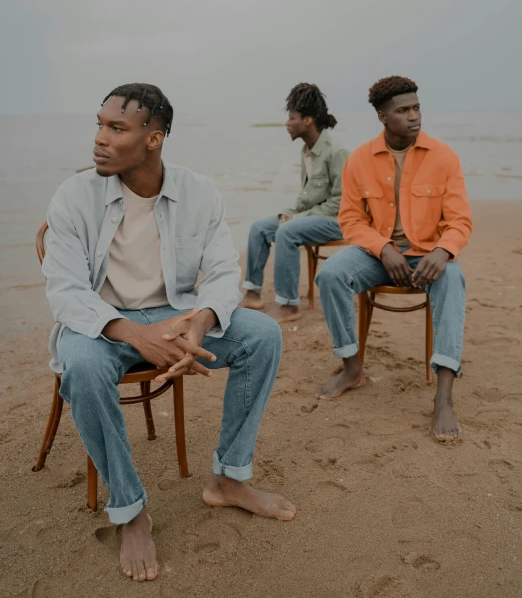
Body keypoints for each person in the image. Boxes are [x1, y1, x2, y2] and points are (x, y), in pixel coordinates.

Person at [42, 83, 296, 583]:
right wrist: (136, 335)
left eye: (116, 128)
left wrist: (201, 321)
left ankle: (228, 478)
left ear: (153, 139)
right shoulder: (73, 196)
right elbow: (66, 291)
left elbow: (224, 270)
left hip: (178, 313)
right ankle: (131, 509)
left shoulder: (197, 191)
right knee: (84, 367)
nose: (100, 138)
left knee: (263, 335)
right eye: (99, 124)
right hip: (101, 320)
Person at [315, 76, 472, 442]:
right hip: (379, 254)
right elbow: (351, 220)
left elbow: (460, 221)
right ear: (383, 116)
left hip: (430, 254)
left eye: (417, 107)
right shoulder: (359, 159)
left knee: (453, 280)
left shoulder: (444, 157)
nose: (414, 116)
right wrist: (383, 247)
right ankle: (352, 368)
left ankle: (444, 397)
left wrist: (442, 250)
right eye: (403, 110)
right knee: (331, 274)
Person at [242, 83, 349, 324]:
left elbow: (342, 203)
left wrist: (296, 220)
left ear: (308, 120)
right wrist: (289, 213)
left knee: (287, 231)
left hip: (338, 220)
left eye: (292, 117)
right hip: (315, 216)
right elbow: (308, 197)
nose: (287, 123)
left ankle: (289, 305)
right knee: (260, 227)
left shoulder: (337, 151)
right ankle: (252, 294)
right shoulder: (307, 150)